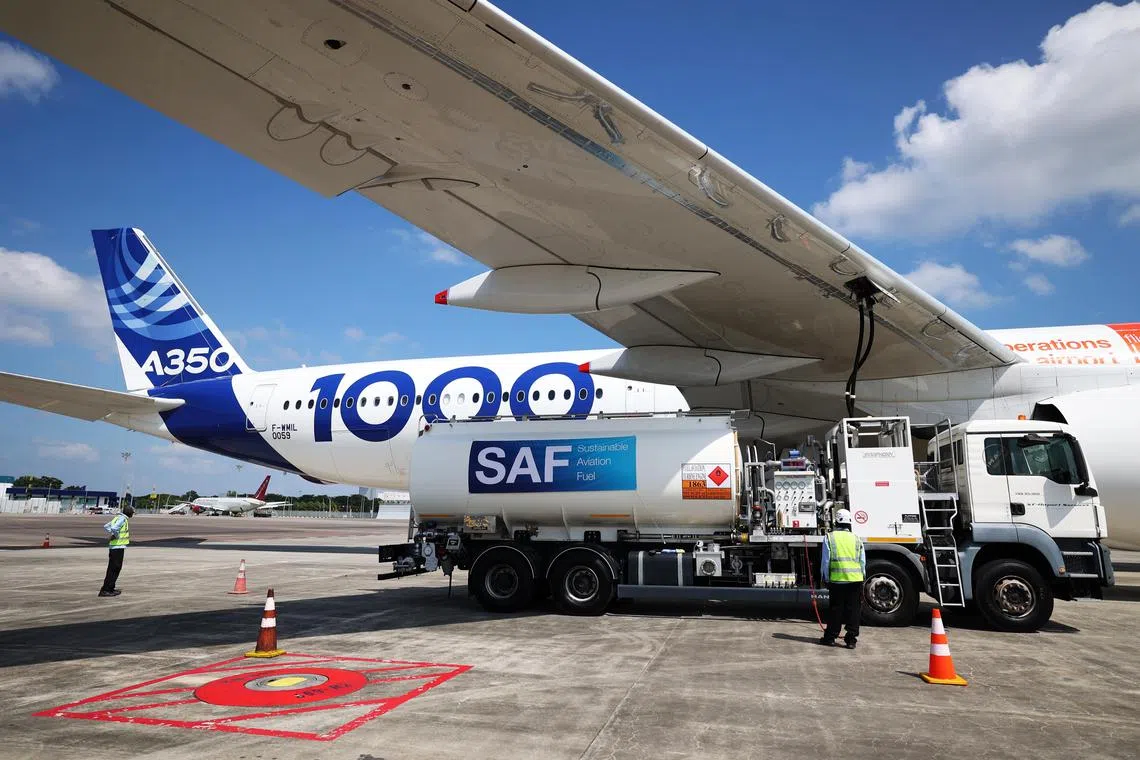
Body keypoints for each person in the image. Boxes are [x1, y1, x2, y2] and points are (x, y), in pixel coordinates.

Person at [818, 508, 866, 649]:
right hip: (855, 579)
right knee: (854, 610)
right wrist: (862, 577)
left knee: (836, 609)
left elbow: (826, 561)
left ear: (836, 521)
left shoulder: (829, 537)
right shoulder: (856, 538)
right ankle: (851, 640)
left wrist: (825, 577)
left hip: (837, 580)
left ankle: (830, 637)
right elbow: (862, 561)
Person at [99, 503, 134, 597]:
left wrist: (113, 534)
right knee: (114, 569)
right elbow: (114, 528)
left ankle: (110, 588)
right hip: (117, 547)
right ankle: (106, 590)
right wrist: (116, 535)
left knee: (113, 568)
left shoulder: (118, 517)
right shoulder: (122, 519)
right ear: (129, 512)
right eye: (132, 512)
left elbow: (107, 526)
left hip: (115, 547)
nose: (132, 514)